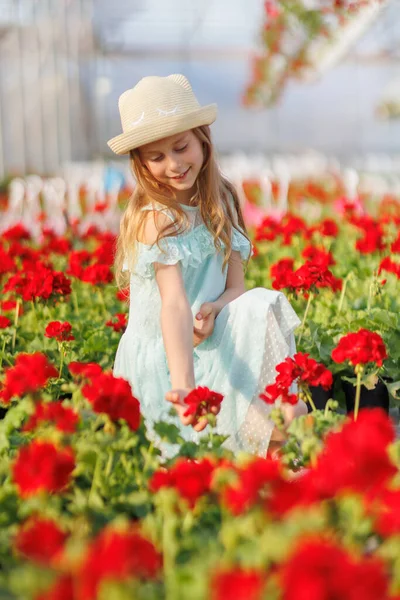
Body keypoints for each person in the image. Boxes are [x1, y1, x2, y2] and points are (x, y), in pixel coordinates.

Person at [108, 74, 307, 458]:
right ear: (141, 164)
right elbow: (174, 305)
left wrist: (217, 307)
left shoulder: (223, 202)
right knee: (223, 441)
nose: (174, 164)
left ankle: (277, 419)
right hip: (169, 357)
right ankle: (268, 437)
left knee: (261, 304)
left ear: (203, 139)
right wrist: (184, 386)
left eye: (181, 147)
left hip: (212, 338)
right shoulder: (157, 218)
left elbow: (236, 288)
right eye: (157, 156)